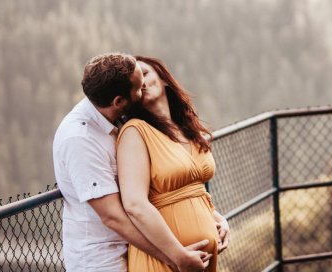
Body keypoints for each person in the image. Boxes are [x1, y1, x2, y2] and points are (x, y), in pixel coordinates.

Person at [52, 53, 215, 272]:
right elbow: (113, 216)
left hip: (135, 247)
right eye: (138, 88)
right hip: (103, 260)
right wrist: (175, 256)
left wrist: (214, 217)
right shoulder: (80, 139)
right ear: (119, 101)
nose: (143, 90)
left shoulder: (115, 114)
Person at [116, 56, 230, 272]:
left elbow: (191, 193)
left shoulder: (187, 128)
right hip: (168, 259)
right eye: (133, 82)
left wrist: (219, 219)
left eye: (145, 73)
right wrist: (178, 256)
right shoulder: (135, 131)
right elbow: (134, 204)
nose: (141, 82)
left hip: (200, 258)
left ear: (164, 78)